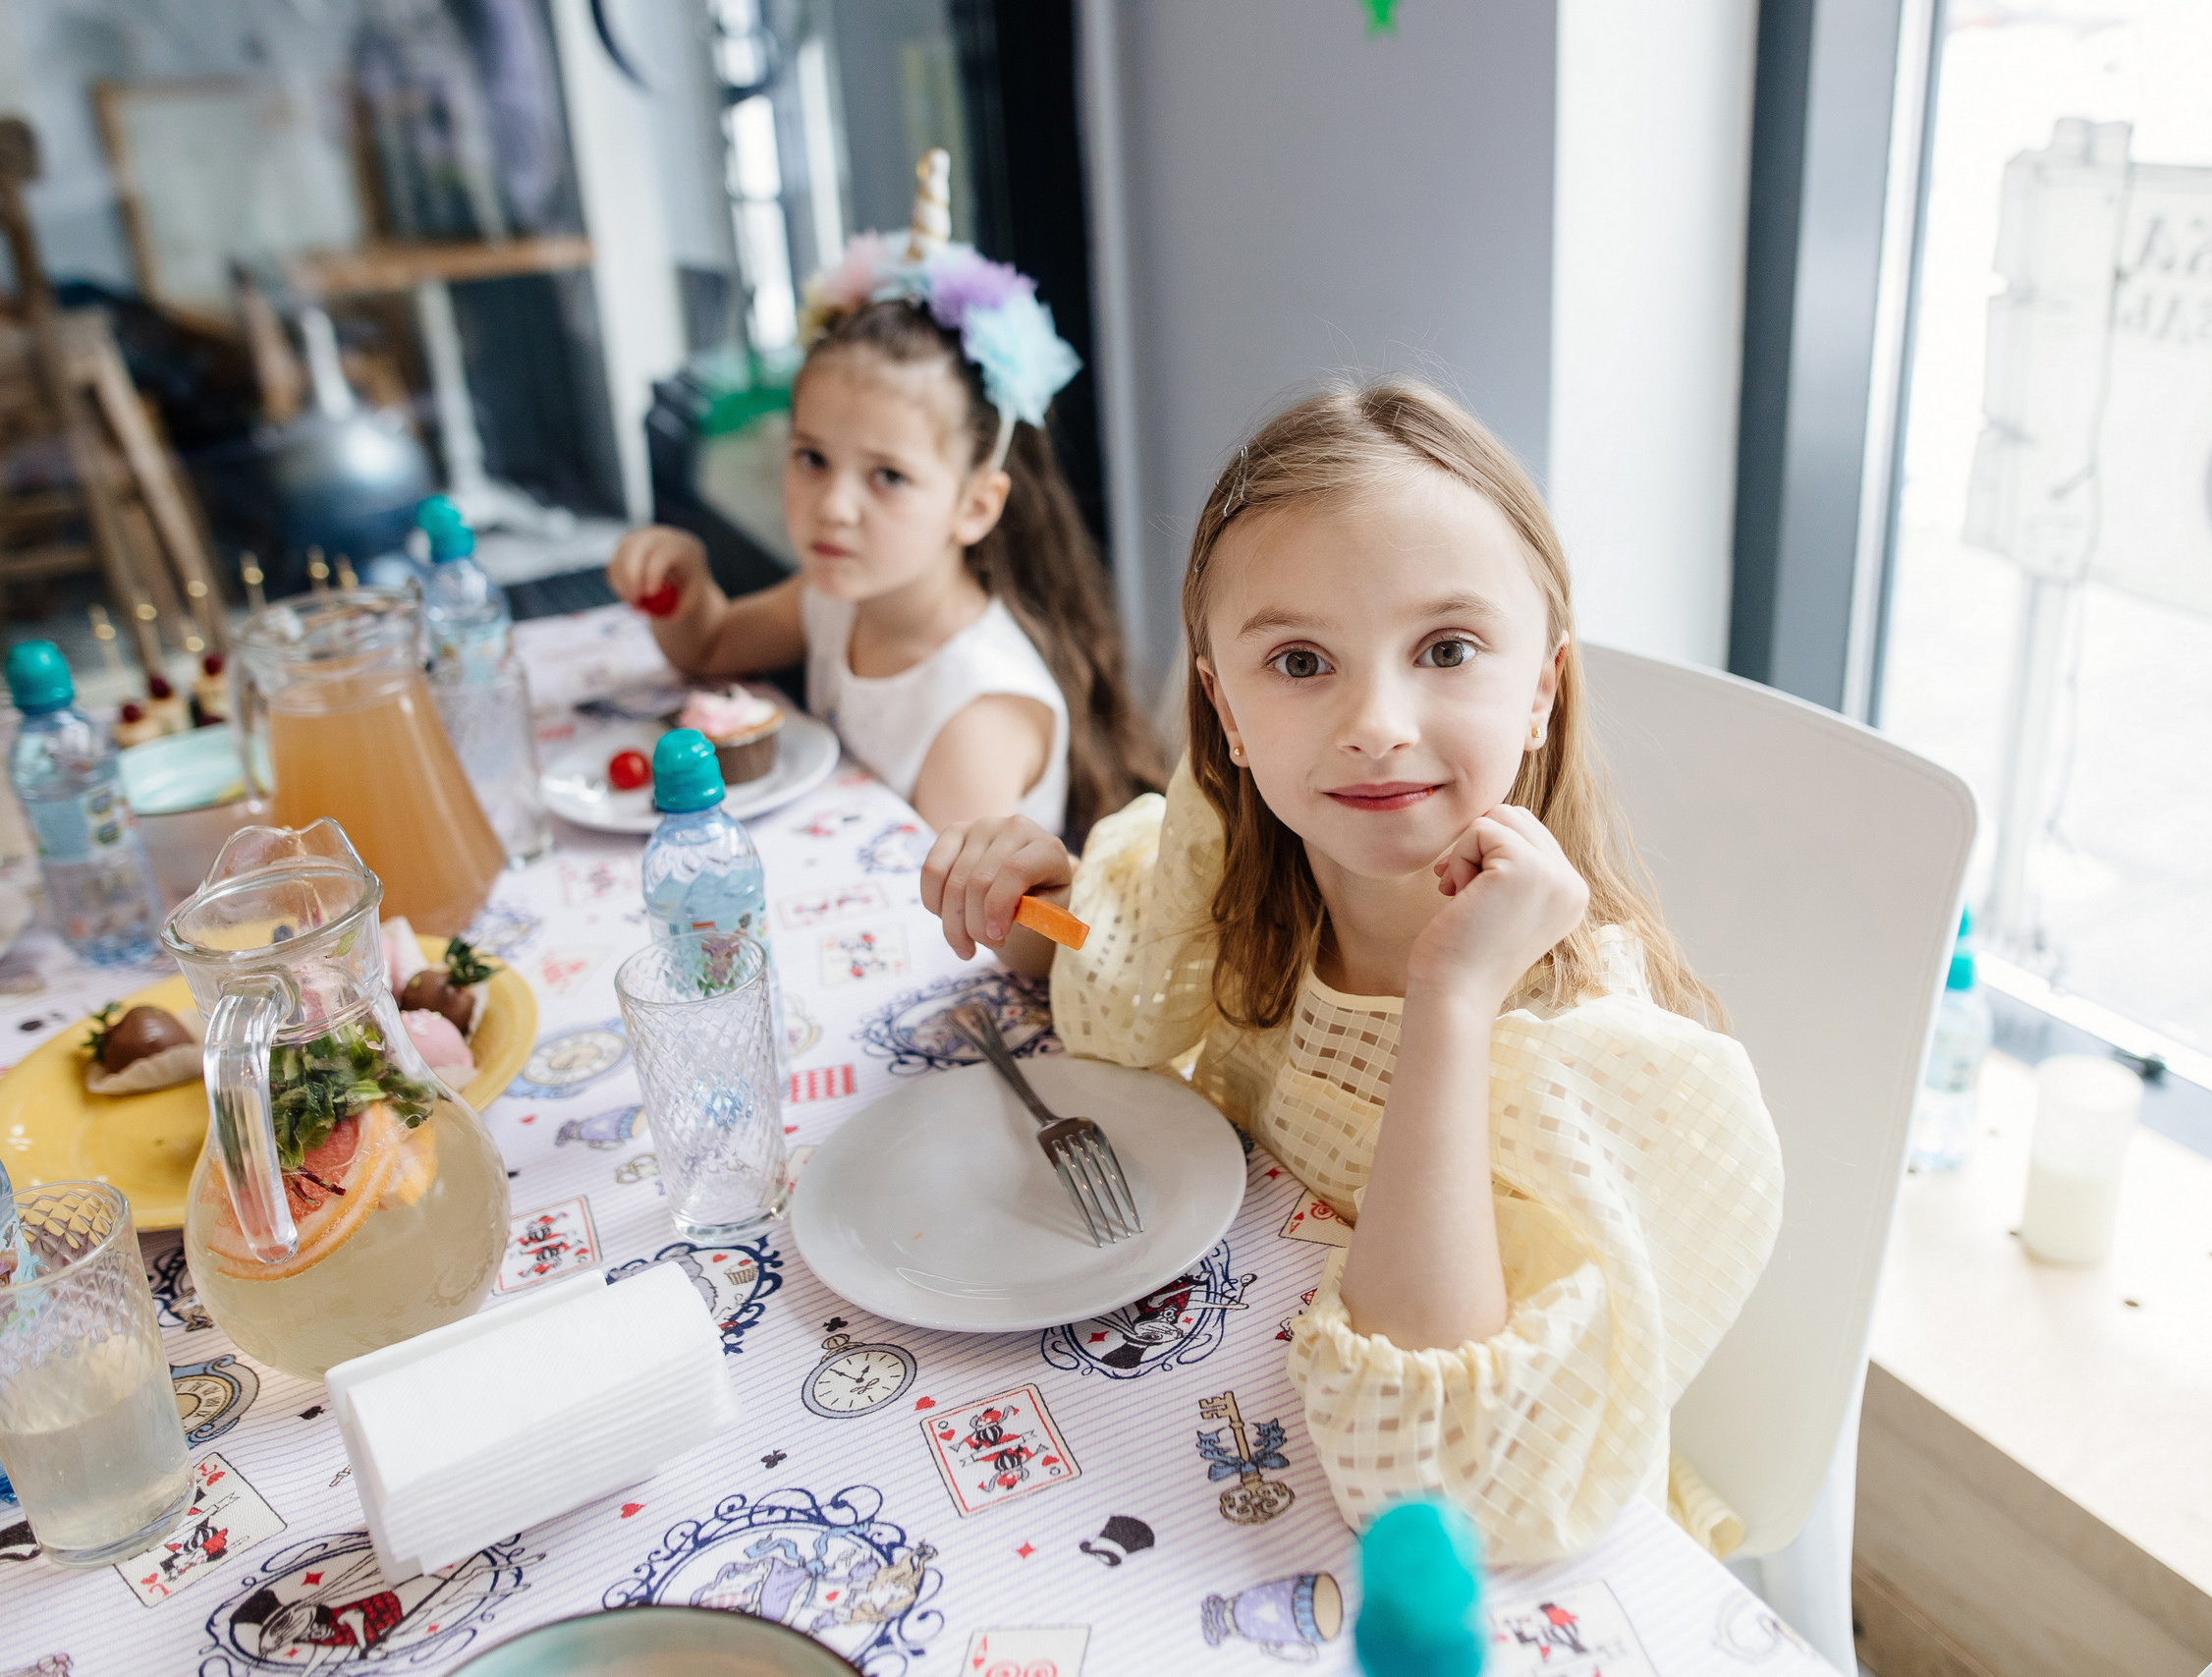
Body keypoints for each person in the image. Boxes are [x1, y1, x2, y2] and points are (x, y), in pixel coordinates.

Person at [921, 378, 1784, 1562]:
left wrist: (1451, 999)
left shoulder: (1584, 1060)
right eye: (1299, 661)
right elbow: (1112, 975)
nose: (1377, 721)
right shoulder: (1238, 877)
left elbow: (1436, 1482)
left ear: (1540, 692)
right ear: (1225, 710)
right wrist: (1029, 905)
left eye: (1446, 649)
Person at [609, 150, 1162, 835]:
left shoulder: (975, 717)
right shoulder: (839, 602)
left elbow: (948, 905)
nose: (833, 506)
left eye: (888, 477)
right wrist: (684, 589)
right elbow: (710, 647)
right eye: (812, 458)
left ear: (975, 507)